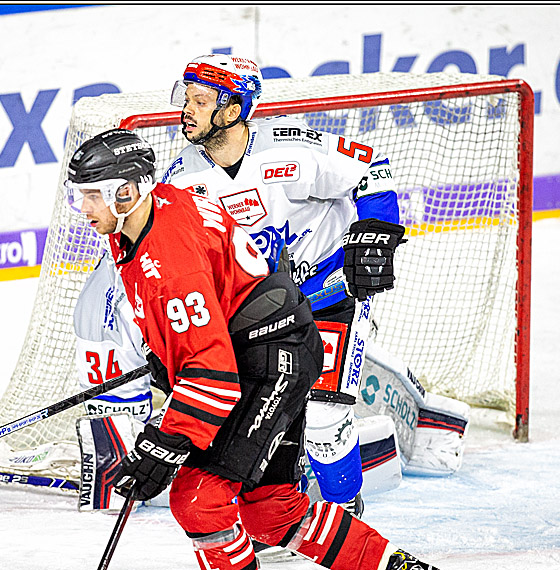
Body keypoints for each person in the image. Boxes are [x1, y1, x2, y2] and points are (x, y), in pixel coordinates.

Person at [65, 128, 469, 570]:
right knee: (268, 509)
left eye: (92, 194)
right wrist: (169, 364)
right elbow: (200, 323)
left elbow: (211, 375)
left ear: (129, 191)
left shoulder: (166, 252)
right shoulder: (146, 219)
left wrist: (164, 446)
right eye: (78, 195)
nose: (82, 208)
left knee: (197, 496)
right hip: (256, 347)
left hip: (267, 358)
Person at [162, 55, 468, 511]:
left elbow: (371, 167)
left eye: (201, 100)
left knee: (324, 417)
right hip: (265, 310)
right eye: (186, 98)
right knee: (265, 413)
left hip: (332, 291)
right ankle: (280, 508)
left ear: (232, 109)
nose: (186, 109)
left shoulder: (289, 146)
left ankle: (345, 513)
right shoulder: (181, 182)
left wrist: (375, 234)